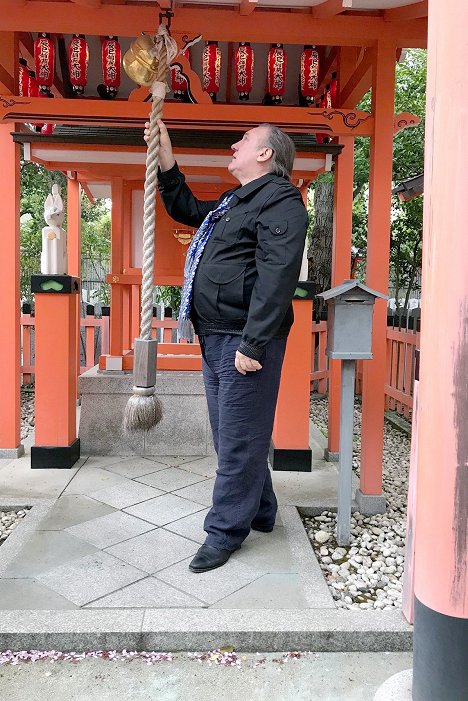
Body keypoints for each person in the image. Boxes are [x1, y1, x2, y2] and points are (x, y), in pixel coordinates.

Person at [145, 120, 308, 573]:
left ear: (265, 155)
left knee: (237, 440)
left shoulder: (281, 202)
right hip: (215, 334)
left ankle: (223, 533)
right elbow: (185, 208)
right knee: (233, 435)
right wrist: (165, 158)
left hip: (245, 339)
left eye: (245, 140)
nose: (233, 145)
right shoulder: (235, 202)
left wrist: (254, 345)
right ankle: (260, 510)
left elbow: (277, 279)